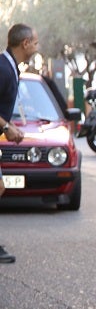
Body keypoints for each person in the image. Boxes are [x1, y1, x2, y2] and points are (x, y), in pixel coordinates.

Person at [0, 23, 40, 264]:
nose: (36, 47)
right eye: (35, 42)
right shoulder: (3, 69)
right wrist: (6, 127)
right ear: (25, 43)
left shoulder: (10, 67)